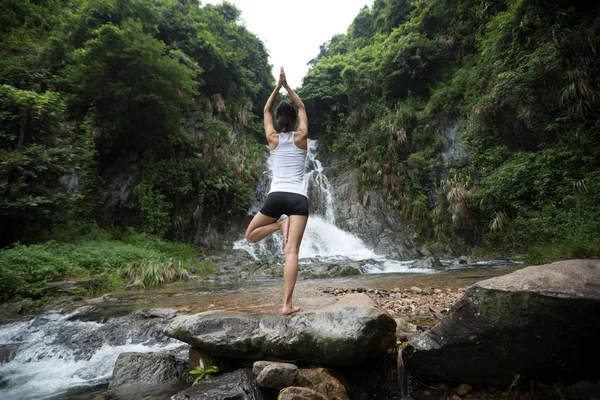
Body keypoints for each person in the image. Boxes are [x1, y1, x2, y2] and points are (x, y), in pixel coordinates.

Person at [245, 67, 309, 316]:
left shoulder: (271, 138)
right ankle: (287, 305)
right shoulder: (302, 137)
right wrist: (288, 87)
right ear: (293, 121)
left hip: (276, 196)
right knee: (291, 252)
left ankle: (278, 225)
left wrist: (276, 87)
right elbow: (302, 107)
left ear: (279, 120)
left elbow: (264, 111)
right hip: (298, 199)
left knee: (250, 235)